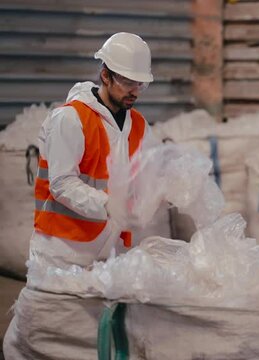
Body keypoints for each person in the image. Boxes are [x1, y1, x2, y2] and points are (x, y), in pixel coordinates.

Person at [3, 32, 157, 359]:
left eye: (141, 85)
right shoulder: (71, 119)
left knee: (93, 343)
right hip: (63, 251)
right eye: (129, 82)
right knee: (42, 339)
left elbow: (145, 177)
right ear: (105, 74)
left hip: (110, 252)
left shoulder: (139, 125)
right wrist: (109, 206)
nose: (135, 92)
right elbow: (61, 183)